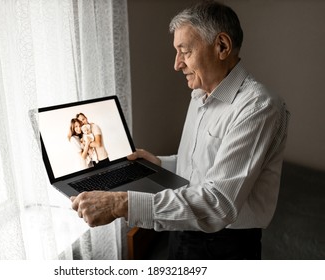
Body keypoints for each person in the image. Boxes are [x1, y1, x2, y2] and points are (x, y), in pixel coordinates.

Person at [71, 0, 290, 260]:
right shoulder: (200, 94)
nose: (176, 64)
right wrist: (159, 163)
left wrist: (121, 204)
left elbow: (218, 204)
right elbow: (202, 167)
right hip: (182, 227)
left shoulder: (258, 107)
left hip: (224, 245)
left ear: (221, 46)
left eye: (184, 51)